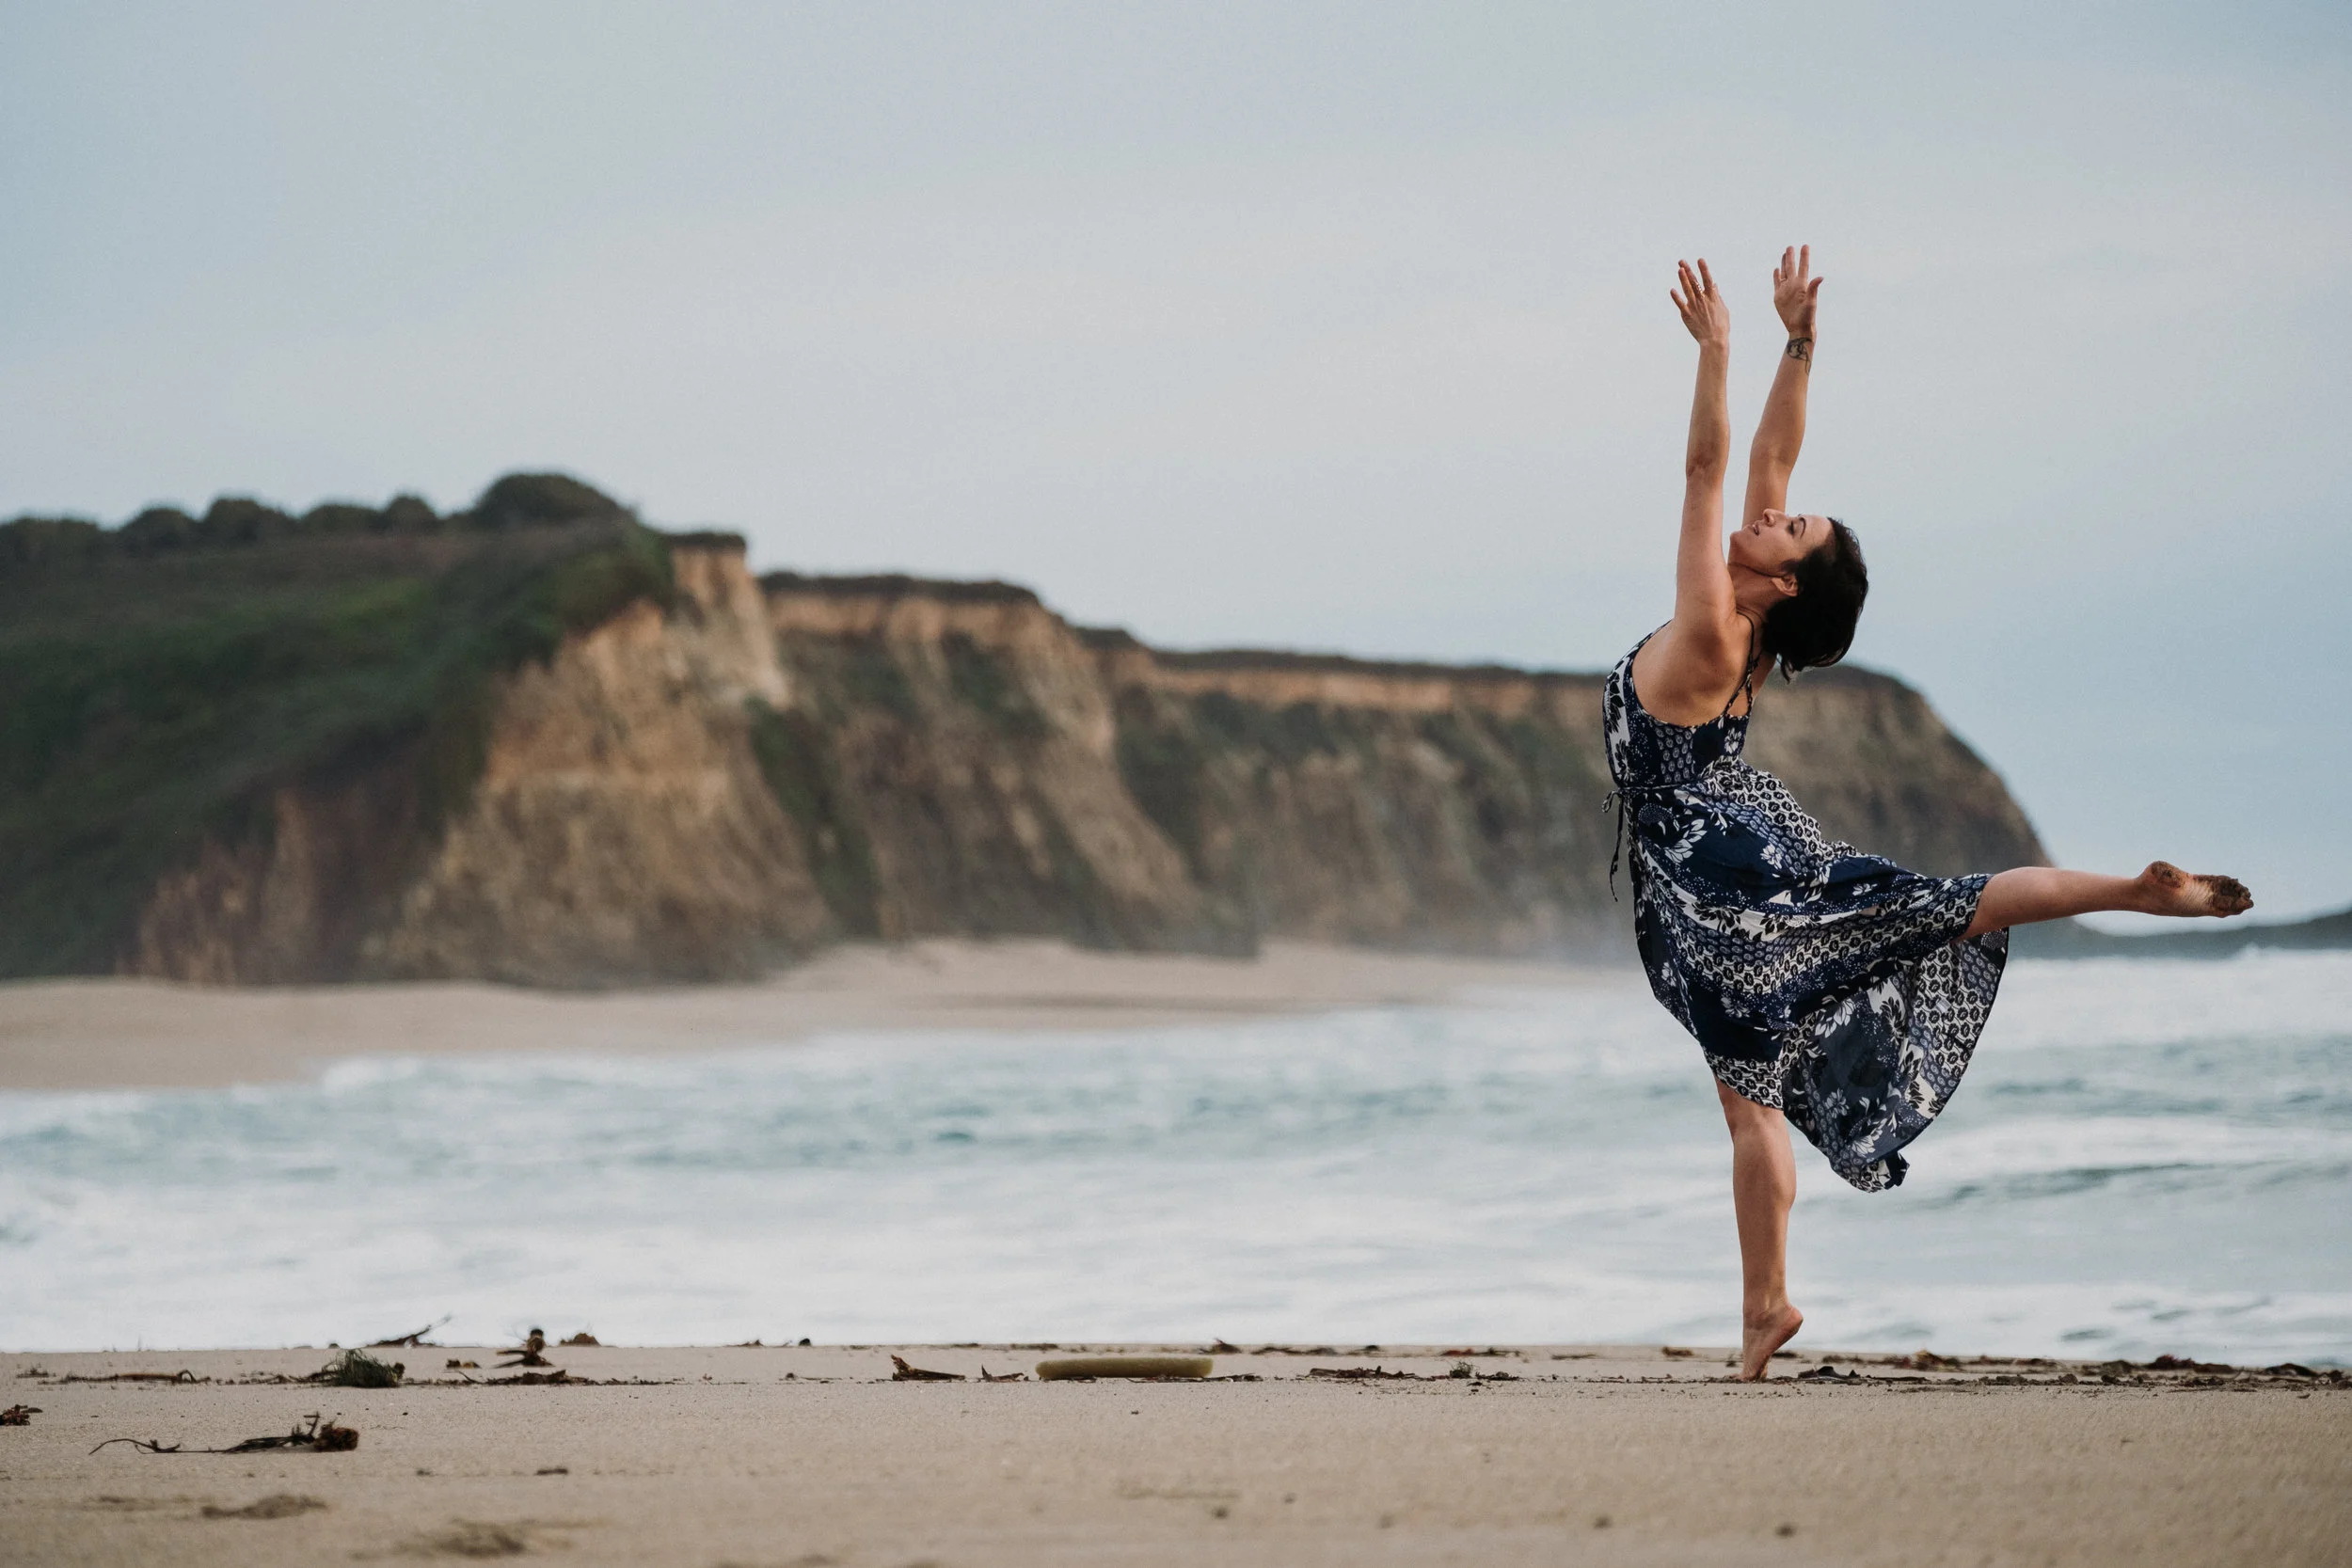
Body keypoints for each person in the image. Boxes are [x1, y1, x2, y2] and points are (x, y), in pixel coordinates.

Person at [1607, 247, 2254, 1381]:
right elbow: (1770, 454)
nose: (1769, 514)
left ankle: (1764, 1300)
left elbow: (1708, 462)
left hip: (1717, 885)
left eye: (1789, 528)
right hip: (1734, 853)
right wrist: (1798, 340)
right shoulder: (1752, 635)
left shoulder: (1713, 625)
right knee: (1916, 921)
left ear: (1786, 581)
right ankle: (1764, 1308)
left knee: (1756, 1087)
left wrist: (1714, 351)